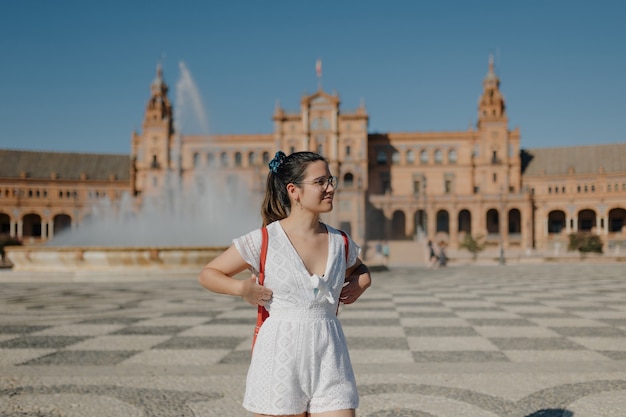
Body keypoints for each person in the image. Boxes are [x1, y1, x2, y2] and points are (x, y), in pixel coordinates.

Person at [199, 151, 372, 417]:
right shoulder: (264, 240)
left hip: (330, 355)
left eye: (331, 180)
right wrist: (241, 289)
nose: (330, 188)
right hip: (279, 354)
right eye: (320, 182)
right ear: (294, 191)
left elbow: (357, 267)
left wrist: (363, 279)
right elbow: (209, 273)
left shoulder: (341, 241)